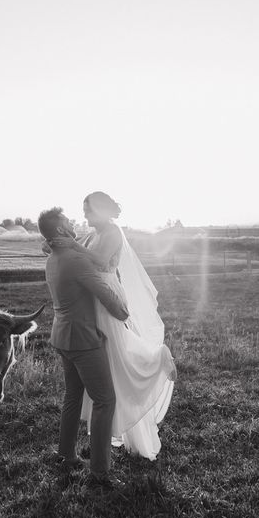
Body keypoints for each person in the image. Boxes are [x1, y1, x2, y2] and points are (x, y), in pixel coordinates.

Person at [49, 191, 176, 460]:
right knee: (107, 367)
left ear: (103, 211)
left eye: (88, 211)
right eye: (83, 211)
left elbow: (97, 261)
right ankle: (93, 450)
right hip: (91, 298)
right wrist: (55, 242)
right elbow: (70, 248)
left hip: (104, 290)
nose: (84, 216)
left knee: (118, 354)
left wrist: (70, 244)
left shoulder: (113, 233)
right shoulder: (92, 234)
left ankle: (157, 360)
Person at [37, 207, 129, 486]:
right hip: (82, 340)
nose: (72, 222)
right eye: (66, 221)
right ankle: (100, 473)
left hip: (62, 336)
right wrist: (123, 312)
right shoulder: (76, 260)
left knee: (73, 396)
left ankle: (66, 454)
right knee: (104, 400)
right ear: (61, 230)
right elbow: (103, 294)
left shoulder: (53, 258)